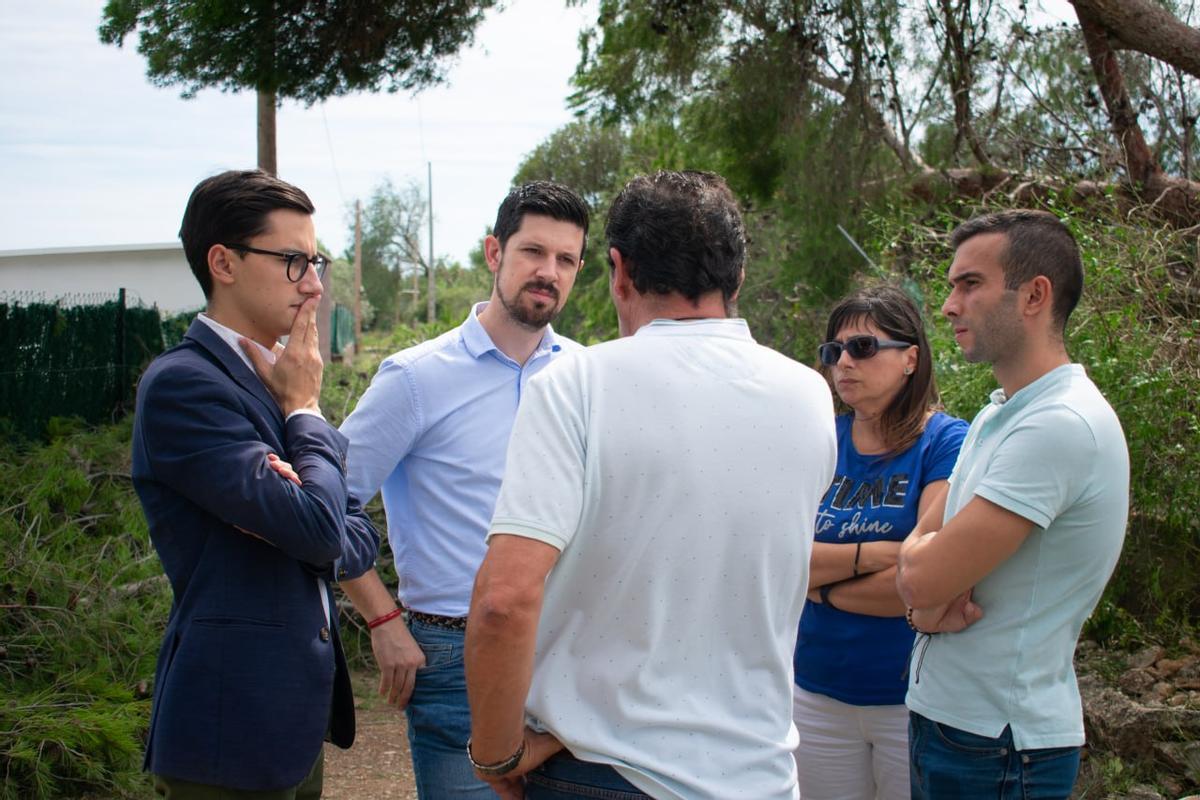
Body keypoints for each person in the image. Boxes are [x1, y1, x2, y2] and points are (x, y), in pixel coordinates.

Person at [464, 170, 838, 800]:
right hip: (760, 773)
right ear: (737, 276)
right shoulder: (808, 395)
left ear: (618, 269)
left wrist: (497, 755)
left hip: (602, 771)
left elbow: (504, 599)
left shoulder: (576, 385)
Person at [131, 169, 380, 797]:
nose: (316, 284)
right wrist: (305, 412)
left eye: (315, 260)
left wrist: (308, 506)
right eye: (294, 261)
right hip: (228, 731)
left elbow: (356, 538)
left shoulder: (271, 376)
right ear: (224, 262)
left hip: (291, 726)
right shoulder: (185, 385)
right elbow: (325, 532)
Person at [337, 181, 589, 798]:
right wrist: (383, 617)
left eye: (566, 260)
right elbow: (324, 505)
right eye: (533, 251)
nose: (548, 272)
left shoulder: (589, 376)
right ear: (493, 253)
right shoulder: (416, 379)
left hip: (571, 656)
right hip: (454, 658)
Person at [896, 210, 1130, 799]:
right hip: (957, 727)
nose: (949, 305)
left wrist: (921, 592)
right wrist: (920, 595)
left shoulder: (1058, 425)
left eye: (969, 284)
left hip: (998, 745)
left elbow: (921, 574)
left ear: (1034, 295)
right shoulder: (1001, 412)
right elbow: (920, 560)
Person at [794, 286, 968, 799]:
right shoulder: (820, 438)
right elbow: (780, 561)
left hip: (910, 698)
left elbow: (927, 581)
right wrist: (874, 556)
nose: (844, 362)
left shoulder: (947, 443)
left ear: (910, 357)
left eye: (863, 347)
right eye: (833, 352)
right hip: (814, 692)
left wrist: (819, 587)